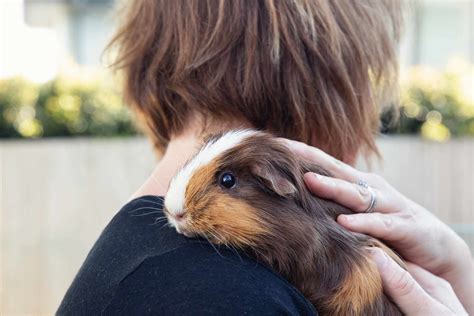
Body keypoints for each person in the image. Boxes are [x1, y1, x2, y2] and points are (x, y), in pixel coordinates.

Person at [58, 0, 473, 315]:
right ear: (335, 84)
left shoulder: (144, 257)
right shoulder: (216, 294)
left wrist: (460, 274)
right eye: (369, 82)